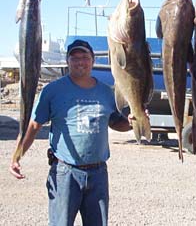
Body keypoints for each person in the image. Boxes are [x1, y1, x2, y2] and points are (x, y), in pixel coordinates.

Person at [9, 39, 147, 226]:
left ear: (92, 60)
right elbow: (33, 126)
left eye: (85, 57)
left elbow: (115, 123)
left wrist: (131, 123)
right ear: (67, 61)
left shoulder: (107, 92)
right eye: (75, 58)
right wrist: (17, 156)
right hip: (65, 172)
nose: (80, 61)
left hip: (98, 173)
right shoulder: (52, 91)